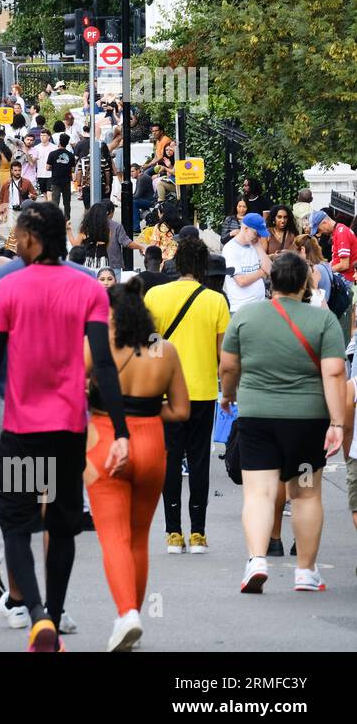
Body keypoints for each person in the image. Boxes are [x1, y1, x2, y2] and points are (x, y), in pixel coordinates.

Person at [0, 202, 128, 651]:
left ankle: (36, 613)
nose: (15, 241)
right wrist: (121, 429)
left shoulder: (7, 288)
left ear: (34, 239)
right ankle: (53, 618)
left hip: (20, 428)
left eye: (20, 235)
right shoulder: (88, 288)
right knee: (62, 524)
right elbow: (105, 368)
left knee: (14, 521)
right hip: (69, 430)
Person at [220, 251, 347, 594]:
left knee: (259, 494)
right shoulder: (323, 322)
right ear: (304, 283)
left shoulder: (245, 318)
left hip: (258, 418)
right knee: (305, 494)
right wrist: (337, 423)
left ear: (270, 281)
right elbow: (334, 372)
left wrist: (228, 396)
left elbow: (229, 367)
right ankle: (305, 572)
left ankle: (257, 559)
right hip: (307, 423)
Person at [85, 280, 189, 650]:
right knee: (139, 537)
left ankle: (127, 612)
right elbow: (181, 410)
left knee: (114, 537)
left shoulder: (98, 348)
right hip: (153, 443)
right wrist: (146, 409)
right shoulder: (165, 349)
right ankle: (130, 617)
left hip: (105, 440)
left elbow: (72, 389)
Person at [145, 235, 230, 555]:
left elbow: (151, 346)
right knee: (198, 461)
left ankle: (172, 532)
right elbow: (223, 356)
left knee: (168, 460)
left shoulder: (155, 296)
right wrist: (228, 391)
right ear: (202, 268)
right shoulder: (216, 301)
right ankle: (198, 533)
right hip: (203, 390)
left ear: (177, 264)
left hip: (165, 392)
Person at [223, 212, 273, 315]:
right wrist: (261, 273)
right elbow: (241, 281)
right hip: (241, 309)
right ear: (245, 229)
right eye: (256, 233)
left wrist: (258, 246)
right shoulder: (230, 249)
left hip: (260, 305)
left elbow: (270, 270)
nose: (259, 237)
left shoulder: (254, 245)